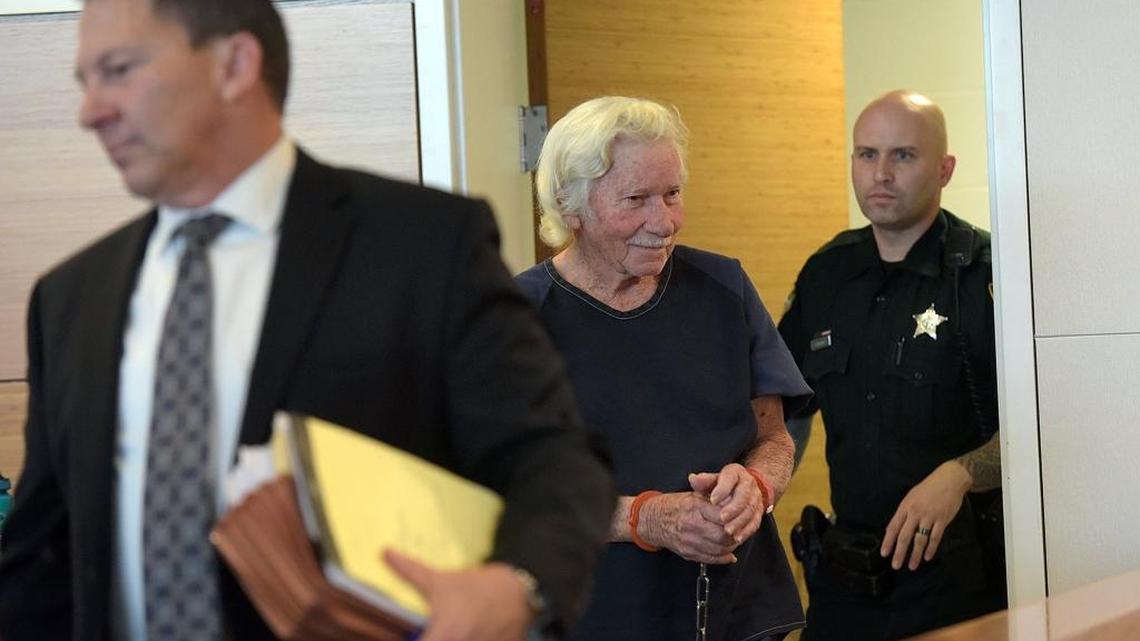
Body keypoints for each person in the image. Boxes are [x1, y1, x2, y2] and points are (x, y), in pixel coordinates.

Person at [0, 1, 615, 640]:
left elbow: (556, 456)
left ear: (235, 65)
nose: (90, 112)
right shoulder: (71, 298)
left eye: (118, 70)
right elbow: (41, 558)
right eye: (84, 82)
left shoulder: (423, 246)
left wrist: (515, 587)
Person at [516, 96, 812, 641]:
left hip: (735, 611)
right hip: (592, 614)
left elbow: (775, 433)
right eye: (637, 199)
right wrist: (645, 518)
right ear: (570, 206)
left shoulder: (724, 287)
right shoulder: (516, 319)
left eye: (672, 194)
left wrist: (757, 486)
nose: (665, 221)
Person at [778, 91, 1005, 641]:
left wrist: (960, 473)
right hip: (848, 575)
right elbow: (786, 405)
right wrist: (761, 486)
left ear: (945, 168)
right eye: (866, 154)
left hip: (958, 579)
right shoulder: (827, 274)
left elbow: (1047, 428)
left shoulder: (985, 276)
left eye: (903, 155)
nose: (880, 174)